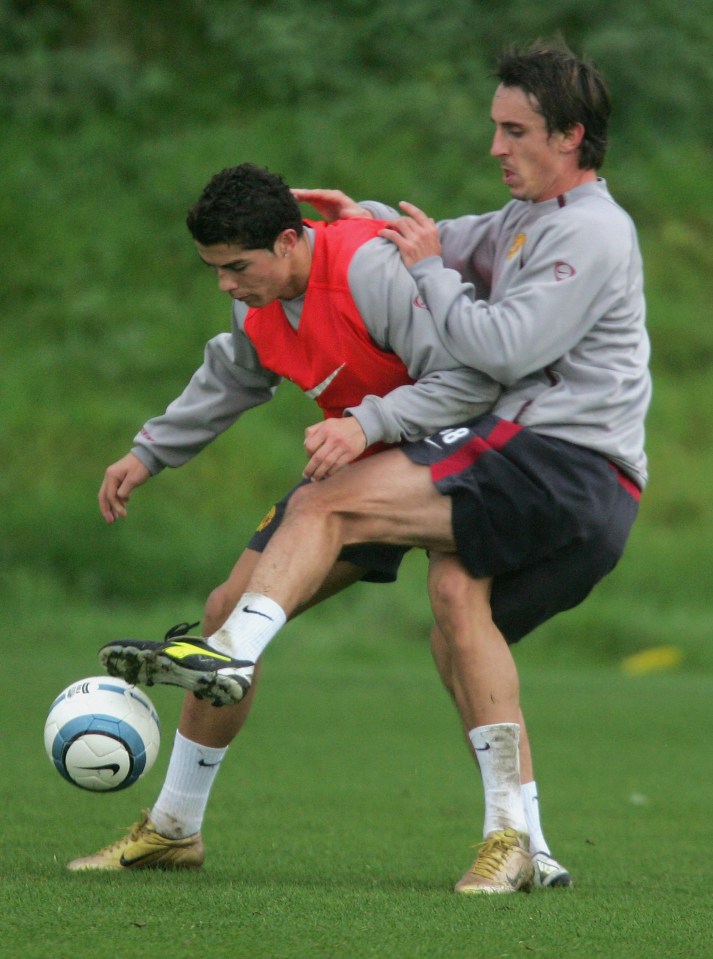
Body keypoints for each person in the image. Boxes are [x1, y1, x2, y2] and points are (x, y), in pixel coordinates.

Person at [98, 39, 650, 894]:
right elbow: (412, 248)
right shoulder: (518, 223)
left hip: (561, 458)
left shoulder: (594, 231)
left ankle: (233, 652)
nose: (494, 147)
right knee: (442, 604)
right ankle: (514, 840)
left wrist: (373, 404)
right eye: (494, 128)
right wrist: (364, 219)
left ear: (570, 136)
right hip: (497, 454)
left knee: (327, 509)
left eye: (513, 130)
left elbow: (500, 352)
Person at [69, 161, 570, 887]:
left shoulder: (371, 271)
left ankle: (526, 840)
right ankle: (175, 826)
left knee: (459, 608)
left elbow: (472, 380)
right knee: (223, 612)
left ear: (289, 240)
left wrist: (365, 423)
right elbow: (232, 377)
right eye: (213, 269)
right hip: (373, 464)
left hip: (479, 449)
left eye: (237, 266)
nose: (226, 285)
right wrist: (149, 453)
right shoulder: (255, 302)